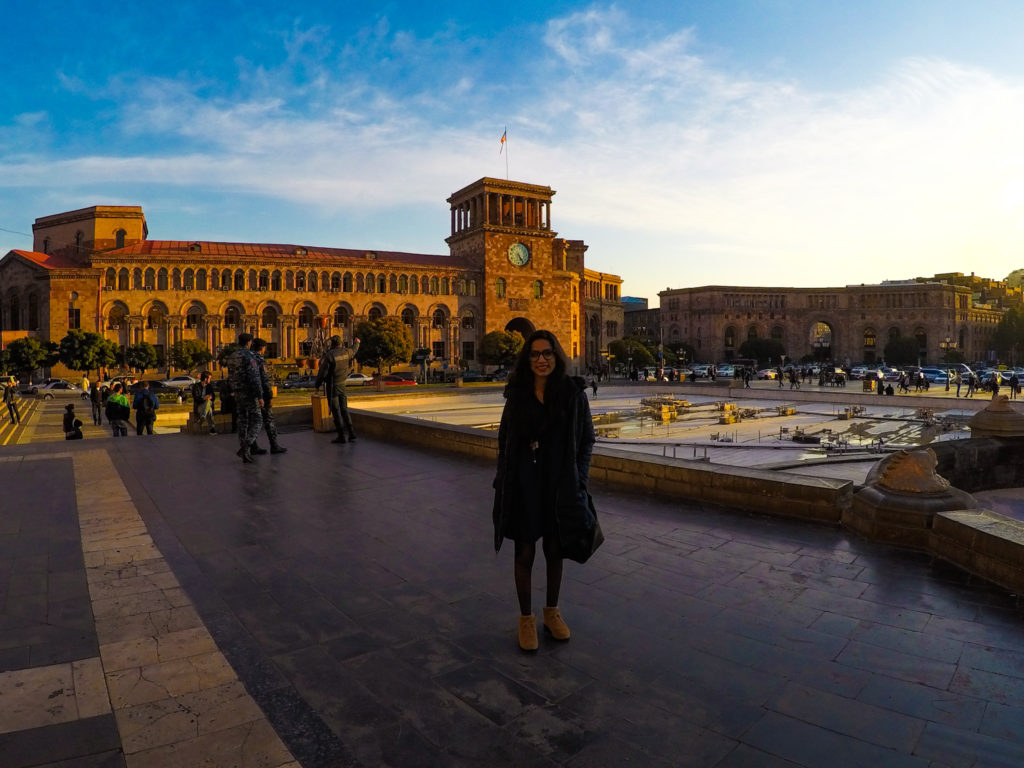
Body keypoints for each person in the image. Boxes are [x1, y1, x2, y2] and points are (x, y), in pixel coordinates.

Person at [492, 330, 596, 652]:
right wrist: (503, 478)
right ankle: (526, 618)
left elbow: (587, 440)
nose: (541, 360)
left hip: (558, 483)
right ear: (527, 359)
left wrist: (579, 479)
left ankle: (551, 612)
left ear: (556, 356)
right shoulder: (517, 395)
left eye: (547, 353)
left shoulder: (572, 394)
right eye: (535, 354)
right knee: (524, 551)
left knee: (554, 549)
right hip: (524, 484)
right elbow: (504, 441)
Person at [315, 334, 361, 444]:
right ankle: (351, 433)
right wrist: (357, 342)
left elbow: (322, 373)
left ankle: (341, 436)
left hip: (333, 386)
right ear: (341, 343)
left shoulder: (330, 356)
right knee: (344, 409)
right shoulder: (346, 352)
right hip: (342, 385)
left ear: (332, 344)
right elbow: (354, 350)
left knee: (336, 411)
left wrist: (317, 384)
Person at [226, 333, 264, 463]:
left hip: (237, 392)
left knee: (242, 420)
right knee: (258, 420)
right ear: (249, 342)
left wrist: (233, 390)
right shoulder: (249, 356)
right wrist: (260, 395)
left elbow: (229, 376)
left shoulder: (231, 356)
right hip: (249, 393)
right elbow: (255, 377)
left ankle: (245, 452)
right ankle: (245, 447)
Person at [250, 338, 286, 454]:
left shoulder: (248, 358)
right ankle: (274, 445)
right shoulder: (259, 359)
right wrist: (269, 396)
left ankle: (253, 446)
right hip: (262, 395)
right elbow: (264, 380)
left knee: (253, 421)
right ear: (262, 348)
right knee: (268, 420)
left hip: (251, 394)